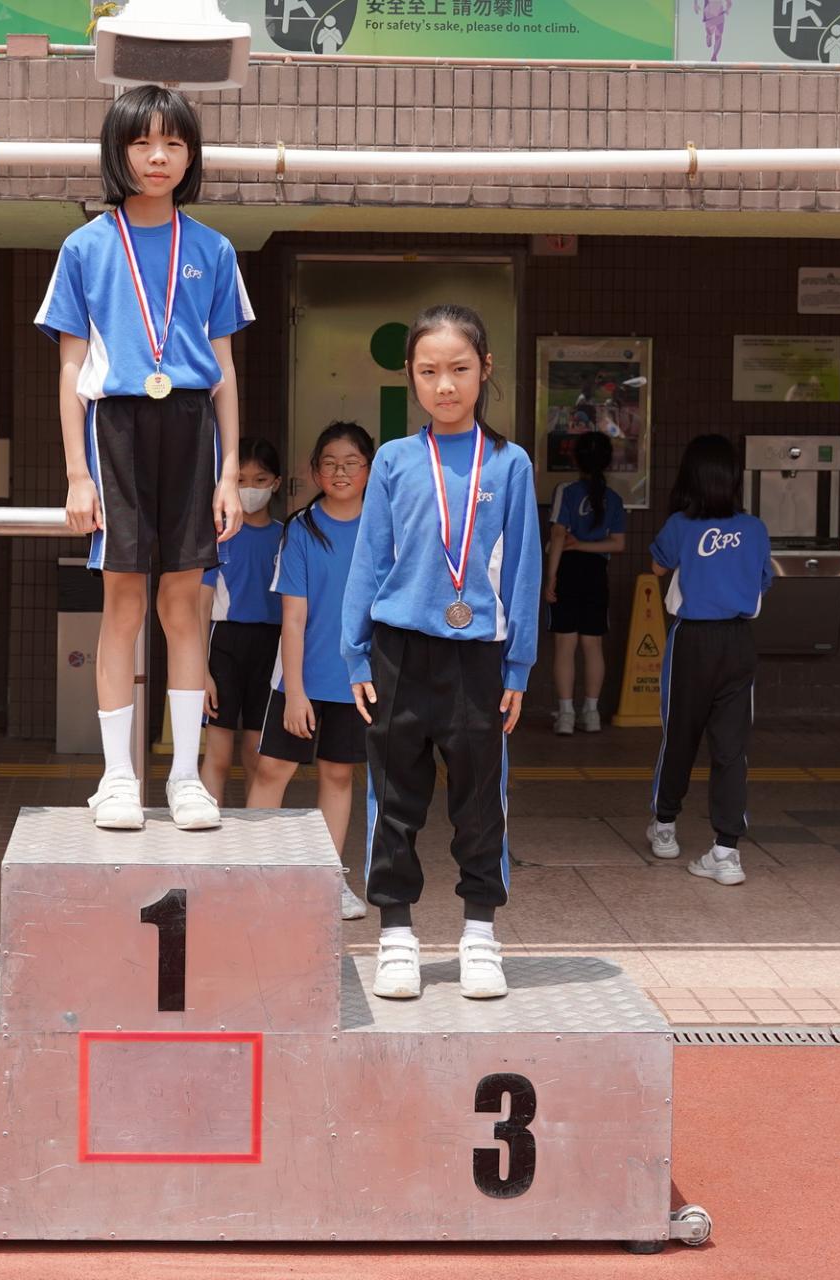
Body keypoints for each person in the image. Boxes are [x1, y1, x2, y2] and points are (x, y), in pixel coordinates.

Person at [36, 83, 254, 832]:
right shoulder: (85, 247)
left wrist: (228, 473)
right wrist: (76, 473)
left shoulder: (214, 249)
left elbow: (224, 370)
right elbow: (70, 368)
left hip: (192, 423)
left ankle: (186, 778)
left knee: (184, 604)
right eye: (142, 142)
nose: (158, 157)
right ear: (117, 152)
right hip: (117, 427)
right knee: (123, 601)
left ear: (191, 156)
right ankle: (118, 777)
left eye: (173, 143)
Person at [345, 306, 540, 1002]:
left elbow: (523, 569)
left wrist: (518, 665)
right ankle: (396, 936)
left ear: (485, 370)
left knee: (480, 800)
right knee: (395, 798)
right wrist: (356, 654)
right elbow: (369, 561)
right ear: (411, 376)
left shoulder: (510, 463)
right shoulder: (395, 460)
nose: (445, 385)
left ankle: (480, 935)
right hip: (398, 653)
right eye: (429, 372)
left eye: (459, 369)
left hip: (477, 658)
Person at [247, 424, 374, 924]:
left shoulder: (383, 528)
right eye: (330, 463)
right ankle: (251, 876)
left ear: (369, 469)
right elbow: (293, 618)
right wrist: (295, 692)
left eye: (351, 462)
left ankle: (329, 880)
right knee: (272, 770)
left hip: (357, 680)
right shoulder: (301, 529)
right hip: (300, 678)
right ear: (314, 471)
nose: (340, 472)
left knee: (338, 775)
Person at [645, 433, 772, 886]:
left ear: (691, 478)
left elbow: (658, 567)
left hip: (692, 640)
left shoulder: (681, 524)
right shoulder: (755, 529)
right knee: (731, 747)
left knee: (680, 734)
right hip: (738, 642)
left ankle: (665, 825)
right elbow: (764, 582)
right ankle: (726, 850)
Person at [199, 439, 284, 807]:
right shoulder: (219, 535)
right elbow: (200, 606)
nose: (251, 488)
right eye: (241, 480)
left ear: (276, 483)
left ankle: (255, 836)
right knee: (218, 755)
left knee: (257, 755)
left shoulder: (287, 536)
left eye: (260, 480)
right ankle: (204, 826)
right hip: (224, 645)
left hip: (273, 647)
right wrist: (201, 671)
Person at [543, 432, 626, 735]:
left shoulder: (566, 491)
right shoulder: (613, 499)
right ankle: (591, 713)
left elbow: (558, 535)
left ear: (576, 460)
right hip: (596, 572)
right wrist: (587, 546)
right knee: (593, 644)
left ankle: (566, 714)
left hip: (567, 569)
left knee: (565, 644)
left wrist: (551, 577)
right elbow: (618, 544)